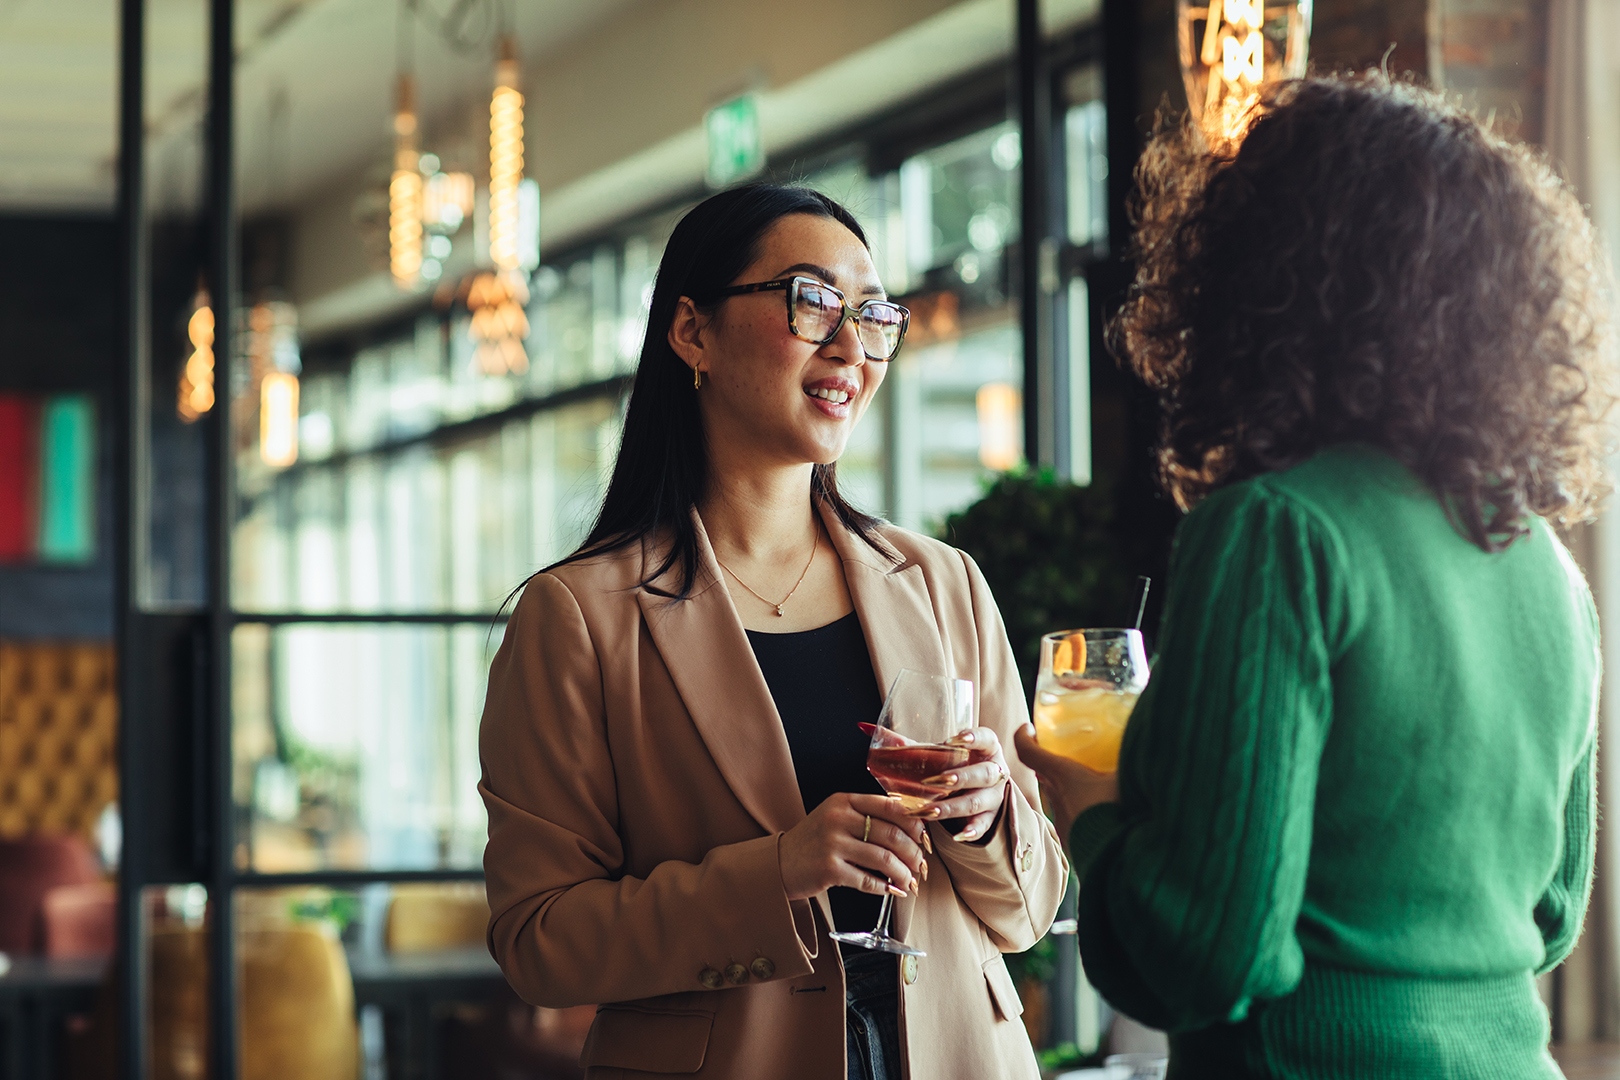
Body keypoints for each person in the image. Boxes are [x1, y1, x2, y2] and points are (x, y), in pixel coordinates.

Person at [1016, 77, 1614, 1078]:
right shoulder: (1550, 571)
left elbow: (1209, 952)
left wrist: (1095, 819)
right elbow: (1546, 917)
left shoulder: (1276, 530)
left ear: (1261, 279)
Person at [480, 183, 1066, 1080]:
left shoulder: (944, 584)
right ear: (693, 332)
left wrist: (990, 818)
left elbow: (1028, 912)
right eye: (812, 301)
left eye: (872, 315)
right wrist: (778, 872)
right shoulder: (578, 619)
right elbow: (541, 941)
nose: (849, 346)